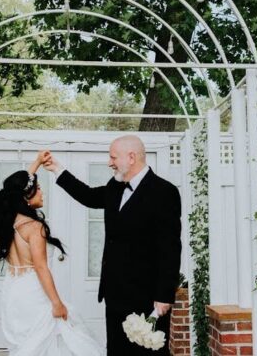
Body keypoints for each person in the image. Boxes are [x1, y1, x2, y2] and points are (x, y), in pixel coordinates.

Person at [43, 135, 182, 356]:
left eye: (113, 157)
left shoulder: (164, 192)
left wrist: (164, 295)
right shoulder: (115, 187)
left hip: (147, 296)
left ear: (132, 157)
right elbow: (88, 196)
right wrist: (57, 169)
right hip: (115, 293)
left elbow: (170, 248)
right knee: (117, 351)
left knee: (147, 352)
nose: (110, 162)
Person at [0, 151, 105, 356]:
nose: (42, 192)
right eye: (39, 189)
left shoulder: (8, 221)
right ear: (27, 196)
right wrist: (57, 303)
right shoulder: (34, 227)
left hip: (14, 291)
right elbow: (41, 267)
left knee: (27, 345)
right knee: (52, 344)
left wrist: (36, 163)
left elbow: (17, 187)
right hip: (34, 293)